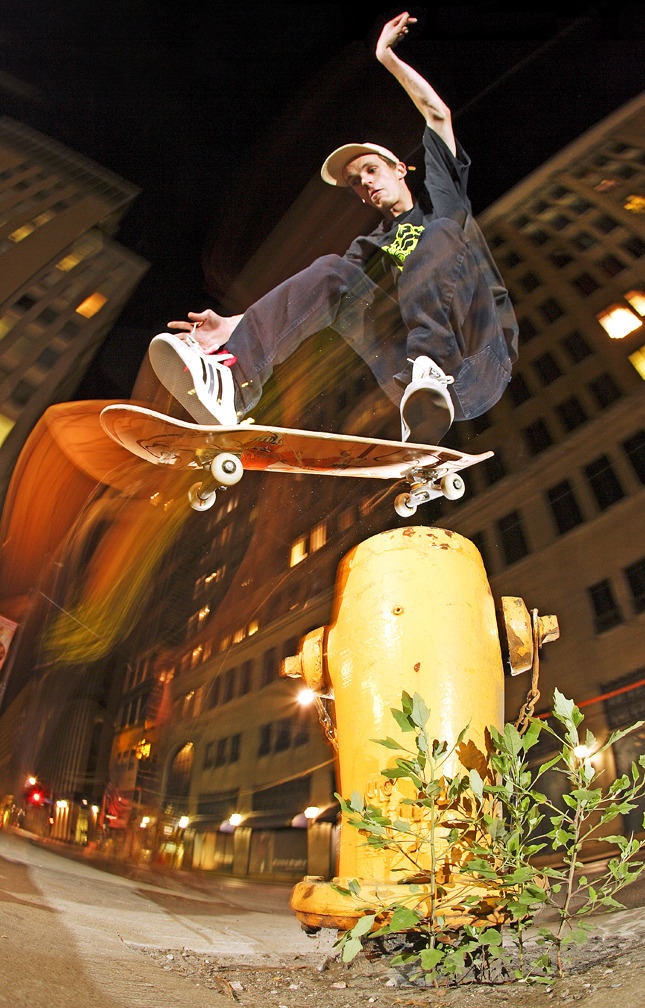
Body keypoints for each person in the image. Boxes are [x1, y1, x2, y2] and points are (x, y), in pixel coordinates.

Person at [149, 11, 518, 444]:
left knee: (438, 235)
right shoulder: (372, 245)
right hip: (407, 378)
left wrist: (386, 58)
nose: (364, 182)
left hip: (480, 361)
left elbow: (438, 116)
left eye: (371, 169)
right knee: (332, 272)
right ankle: (236, 383)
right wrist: (236, 323)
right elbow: (310, 294)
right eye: (355, 182)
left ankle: (430, 373)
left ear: (399, 169)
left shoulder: (443, 204)